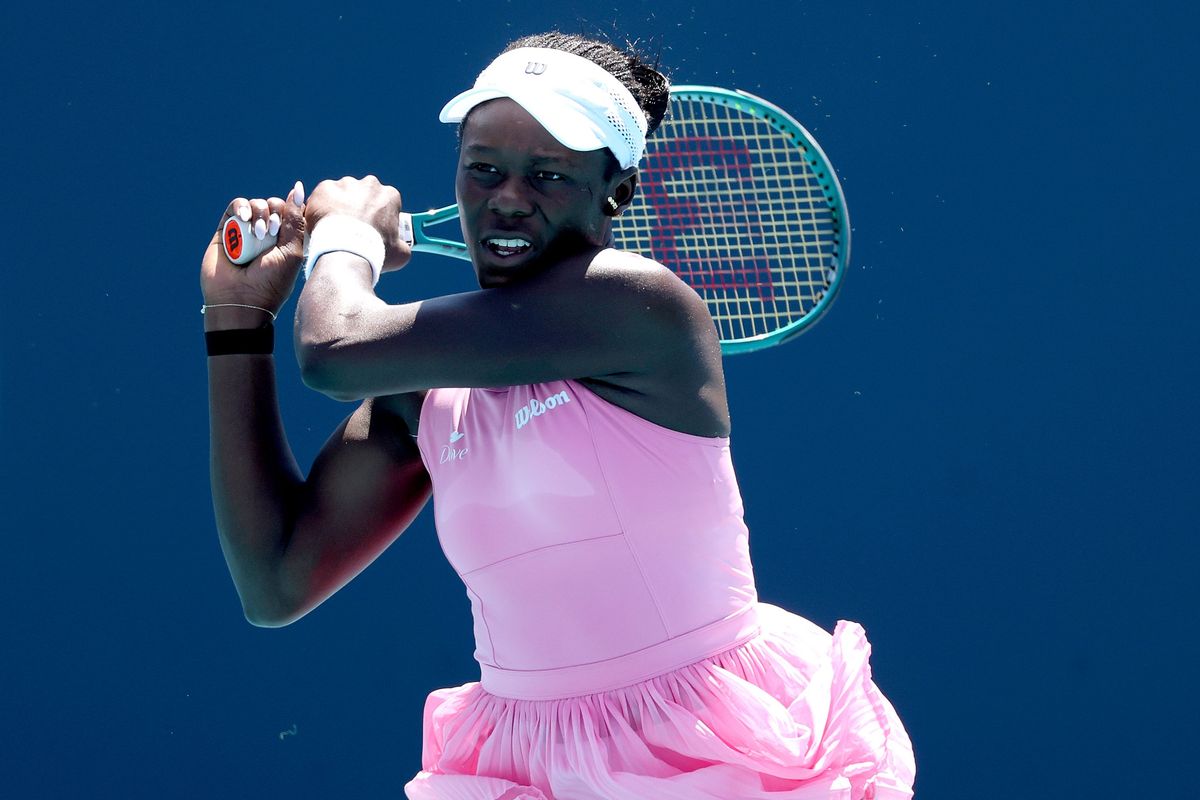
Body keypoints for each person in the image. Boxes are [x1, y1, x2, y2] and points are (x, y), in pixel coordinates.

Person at [200, 31, 915, 800]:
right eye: (484, 170)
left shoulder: (637, 305)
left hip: (710, 753)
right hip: (523, 765)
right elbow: (275, 581)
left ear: (617, 193)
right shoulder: (425, 386)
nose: (508, 196)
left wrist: (344, 238)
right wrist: (236, 319)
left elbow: (333, 351)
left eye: (548, 175)